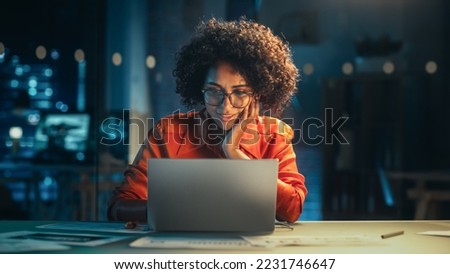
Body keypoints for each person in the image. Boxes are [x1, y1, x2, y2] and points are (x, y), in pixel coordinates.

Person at [107, 17, 307, 223]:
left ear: (257, 94)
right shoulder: (168, 132)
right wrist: (178, 212)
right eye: (214, 91)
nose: (225, 106)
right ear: (199, 88)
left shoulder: (274, 134)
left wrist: (235, 153)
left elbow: (292, 210)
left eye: (239, 92)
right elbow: (119, 206)